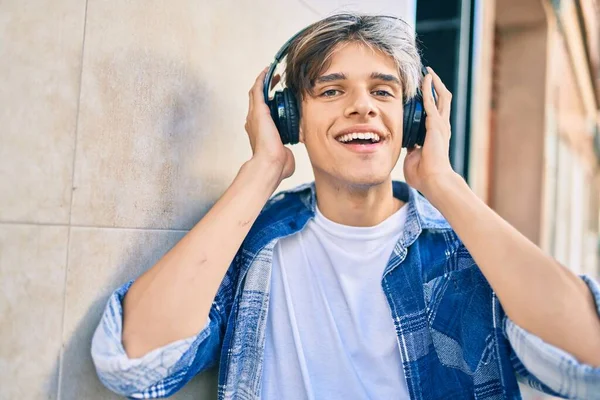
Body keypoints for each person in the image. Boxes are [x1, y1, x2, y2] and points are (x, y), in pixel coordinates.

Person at [91, 13, 600, 399]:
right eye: (332, 90)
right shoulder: (247, 242)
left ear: (413, 119)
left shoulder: (468, 251)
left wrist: (445, 184)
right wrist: (261, 171)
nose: (363, 106)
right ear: (290, 118)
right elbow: (135, 364)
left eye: (383, 90)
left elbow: (588, 361)